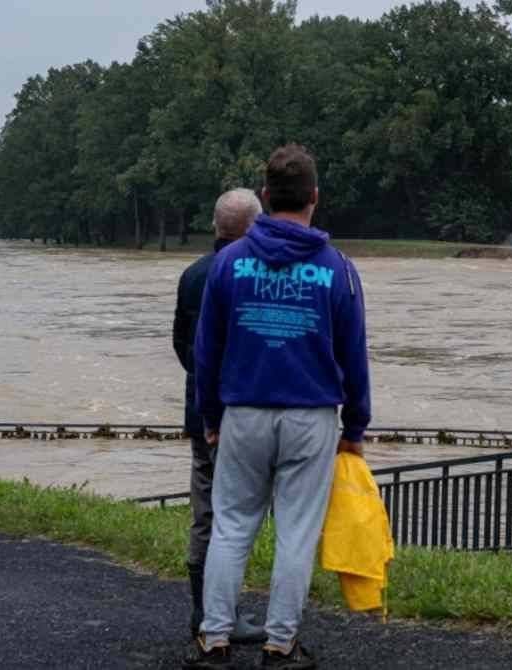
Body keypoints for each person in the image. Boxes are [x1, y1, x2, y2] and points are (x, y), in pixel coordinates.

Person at [185, 144, 371, 670]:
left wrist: (210, 417)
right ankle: (280, 645)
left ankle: (214, 640)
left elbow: (207, 351)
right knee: (296, 533)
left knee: (231, 526)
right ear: (314, 197)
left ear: (266, 197)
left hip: (242, 412)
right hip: (311, 416)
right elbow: (353, 354)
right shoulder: (338, 270)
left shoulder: (228, 263)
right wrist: (355, 425)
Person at [172, 188, 266, 642]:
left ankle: (201, 611)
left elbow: (181, 346)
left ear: (215, 227)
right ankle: (225, 614)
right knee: (238, 516)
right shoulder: (249, 274)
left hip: (199, 410)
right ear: (253, 228)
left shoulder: (193, 275)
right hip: (243, 411)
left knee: (205, 513)